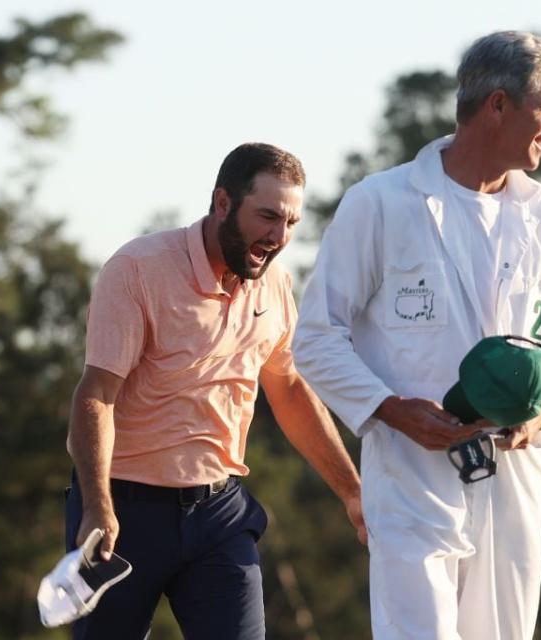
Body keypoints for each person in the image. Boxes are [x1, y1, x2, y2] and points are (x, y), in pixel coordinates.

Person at [293, 31, 541, 639]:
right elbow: (316, 339)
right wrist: (390, 410)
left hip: (515, 481)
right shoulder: (381, 203)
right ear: (496, 106)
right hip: (413, 478)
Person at [65, 142, 365, 640]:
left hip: (219, 516)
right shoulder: (138, 268)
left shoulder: (275, 286)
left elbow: (288, 390)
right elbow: (96, 395)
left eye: (291, 223)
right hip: (122, 513)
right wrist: (97, 504)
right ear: (222, 203)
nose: (278, 236)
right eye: (267, 216)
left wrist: (352, 491)